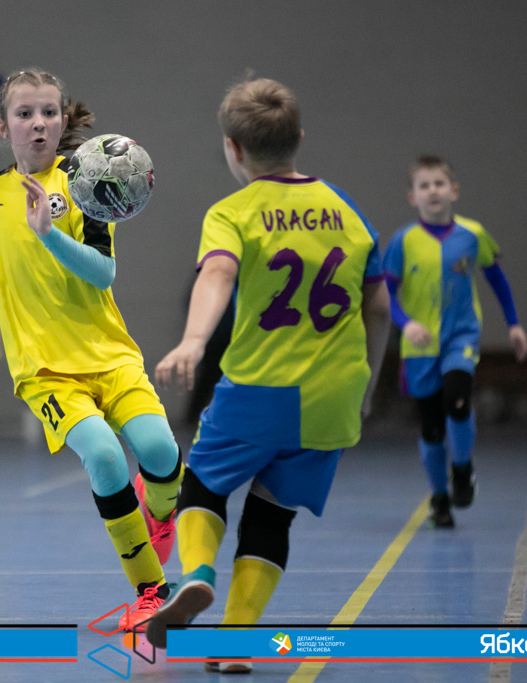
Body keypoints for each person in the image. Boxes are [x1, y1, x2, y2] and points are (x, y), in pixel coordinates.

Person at [0, 69, 183, 632]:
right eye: (25, 113)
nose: (38, 123)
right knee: (105, 457)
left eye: (49, 113)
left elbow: (103, 273)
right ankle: (150, 591)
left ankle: (158, 512)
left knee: (160, 452)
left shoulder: (87, 180)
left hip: (109, 355)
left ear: (62, 120)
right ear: (3, 126)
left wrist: (49, 235)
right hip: (46, 371)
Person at [147, 78, 391, 670]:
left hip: (261, 386)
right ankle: (235, 638)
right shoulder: (349, 211)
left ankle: (197, 574)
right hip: (333, 393)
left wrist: (193, 341)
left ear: (232, 148)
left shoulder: (232, 212)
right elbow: (381, 309)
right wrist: (366, 388)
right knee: (273, 513)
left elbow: (217, 274)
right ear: (299, 138)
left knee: (202, 483)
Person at [383, 155, 527, 528]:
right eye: (424, 185)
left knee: (457, 400)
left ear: (454, 190)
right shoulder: (403, 242)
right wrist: (406, 324)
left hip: (460, 336)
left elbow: (496, 278)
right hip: (420, 346)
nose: (433, 191)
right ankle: (439, 497)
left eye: (439, 183)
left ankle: (462, 470)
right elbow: (386, 294)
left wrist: (513, 324)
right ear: (412, 196)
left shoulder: (472, 234)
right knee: (431, 427)